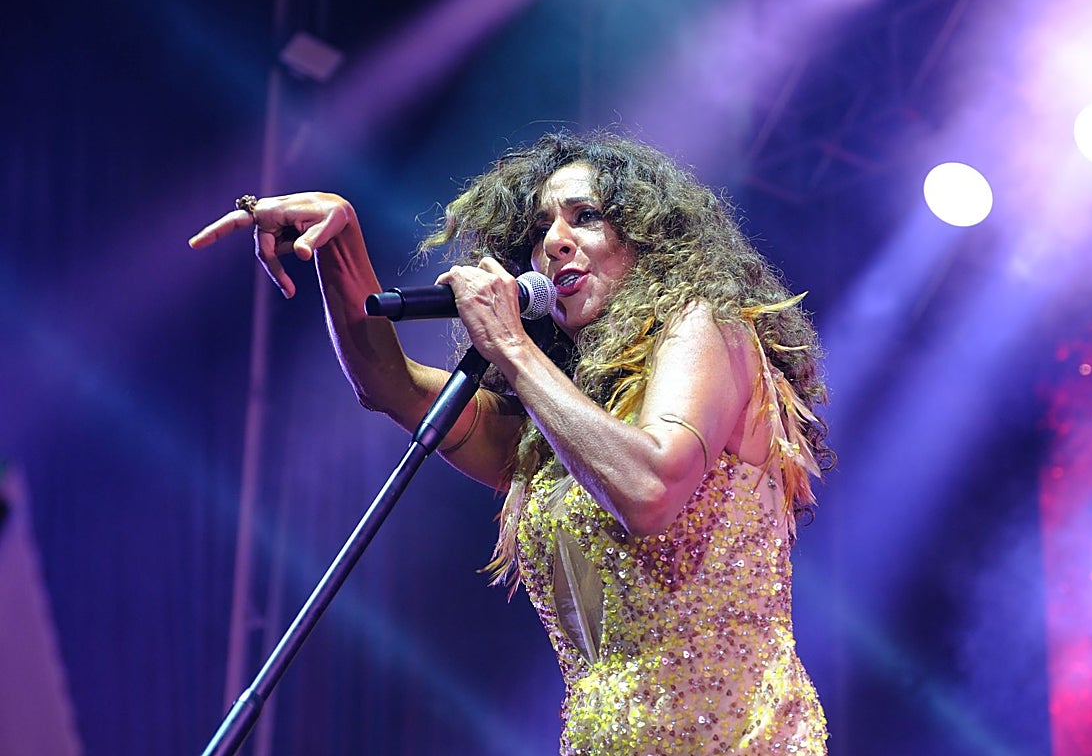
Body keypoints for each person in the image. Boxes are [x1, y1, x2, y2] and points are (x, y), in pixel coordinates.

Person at [190, 130, 834, 754]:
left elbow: (651, 489)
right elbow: (391, 387)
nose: (554, 243)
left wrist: (510, 345)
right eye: (538, 233)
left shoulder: (708, 325)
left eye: (585, 217)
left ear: (648, 238)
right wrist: (341, 240)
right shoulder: (553, 436)